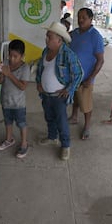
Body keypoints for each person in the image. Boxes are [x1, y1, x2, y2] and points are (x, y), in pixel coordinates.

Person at [36, 22, 83, 160]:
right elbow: (41, 68)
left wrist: (69, 89)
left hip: (59, 96)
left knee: (61, 121)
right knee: (49, 117)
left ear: (59, 40)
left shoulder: (68, 54)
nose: (46, 39)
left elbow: (79, 74)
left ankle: (65, 145)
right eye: (47, 36)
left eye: (49, 37)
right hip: (46, 94)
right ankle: (52, 137)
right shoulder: (46, 51)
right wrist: (39, 82)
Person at [68, 7, 105, 140]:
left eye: (84, 17)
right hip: (74, 76)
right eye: (79, 17)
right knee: (76, 98)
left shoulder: (95, 37)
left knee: (86, 103)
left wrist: (91, 78)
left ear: (91, 19)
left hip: (86, 78)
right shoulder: (74, 33)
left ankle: (87, 126)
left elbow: (100, 60)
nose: (80, 20)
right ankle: (73, 117)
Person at [0, 39, 30, 159]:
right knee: (8, 122)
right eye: (10, 55)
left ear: (22, 56)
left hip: (18, 104)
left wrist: (9, 73)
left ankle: (24, 143)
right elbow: (0, 82)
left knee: (21, 123)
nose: (11, 58)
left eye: (15, 56)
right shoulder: (6, 63)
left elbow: (22, 86)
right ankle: (9, 139)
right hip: (5, 101)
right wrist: (1, 72)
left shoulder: (25, 68)